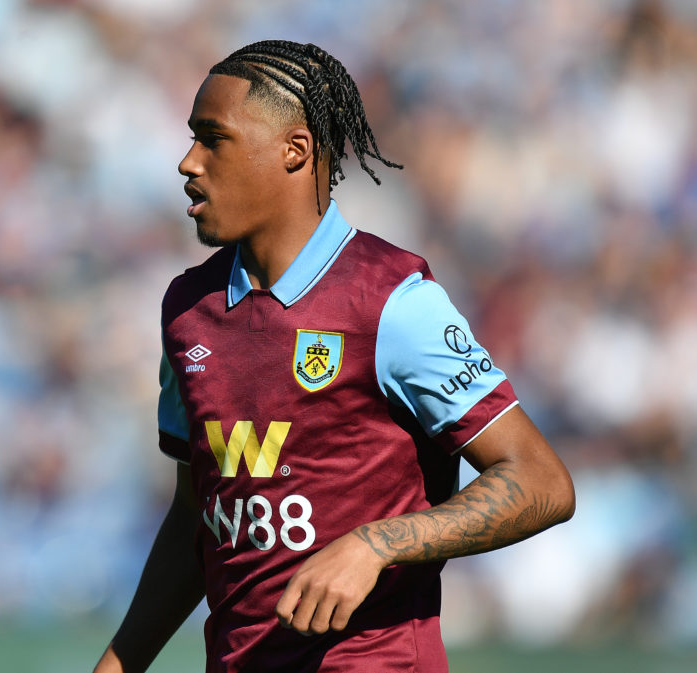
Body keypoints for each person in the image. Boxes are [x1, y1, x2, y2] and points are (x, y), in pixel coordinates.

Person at [92, 40, 575, 673]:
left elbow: (541, 483)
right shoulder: (188, 310)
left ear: (294, 150)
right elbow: (197, 513)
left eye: (214, 139)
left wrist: (377, 544)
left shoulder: (393, 302)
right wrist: (119, 664)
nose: (188, 161)